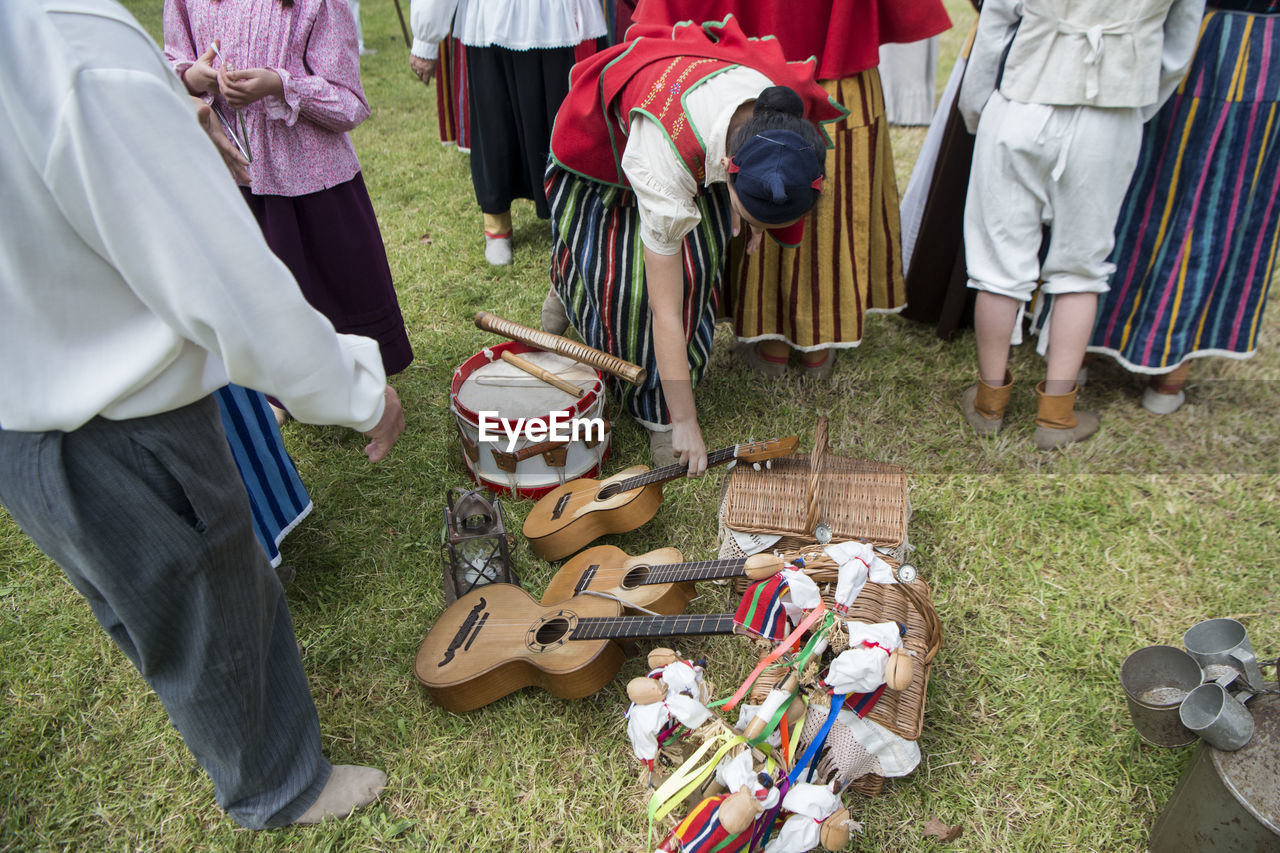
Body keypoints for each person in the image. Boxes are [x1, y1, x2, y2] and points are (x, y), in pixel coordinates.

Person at [0, 0, 405, 829]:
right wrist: (360, 389)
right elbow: (225, 279)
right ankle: (279, 783)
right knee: (209, 594)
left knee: (143, 602)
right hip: (121, 414)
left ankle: (240, 747)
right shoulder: (67, 37)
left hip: (20, 411)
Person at [542, 16, 841, 470]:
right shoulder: (664, 154)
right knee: (630, 290)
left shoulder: (777, 121)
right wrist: (685, 421)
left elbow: (773, 176)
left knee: (700, 268)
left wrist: (757, 221)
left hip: (688, 146)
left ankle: (661, 396)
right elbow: (666, 312)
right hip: (606, 143)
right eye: (747, 209)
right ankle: (659, 414)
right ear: (726, 166)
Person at [631, 1, 951, 380]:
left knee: (771, 170)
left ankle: (774, 344)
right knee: (796, 170)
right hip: (820, 59)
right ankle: (818, 340)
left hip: (751, 55)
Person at [956, 0, 1205, 449]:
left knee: (997, 263)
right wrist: (1135, 105)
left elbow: (996, 21)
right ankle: (1056, 416)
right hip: (1111, 112)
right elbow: (1178, 48)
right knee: (1081, 268)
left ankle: (988, 403)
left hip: (1022, 102)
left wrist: (976, 109)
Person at [165, 0, 415, 399]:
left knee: (326, 287)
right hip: (230, 181)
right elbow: (169, 67)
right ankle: (272, 391)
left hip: (311, 183)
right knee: (252, 292)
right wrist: (192, 77)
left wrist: (280, 84)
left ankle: (350, 381)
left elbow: (349, 102)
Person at [1081, 0, 1280, 415]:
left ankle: (1080, 353)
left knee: (1139, 192)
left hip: (1191, 39)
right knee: (1224, 210)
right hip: (1261, 50)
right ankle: (1168, 381)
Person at [408, 0, 607, 265]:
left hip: (559, 16)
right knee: (495, 126)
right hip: (493, 17)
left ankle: (572, 221)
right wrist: (426, 37)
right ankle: (496, 225)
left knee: (562, 124)